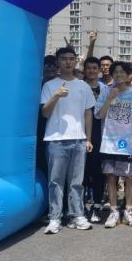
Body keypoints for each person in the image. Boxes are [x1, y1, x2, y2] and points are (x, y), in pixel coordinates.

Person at [40, 47, 95, 234]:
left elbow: (88, 113)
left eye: (72, 58)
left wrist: (88, 138)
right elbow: (45, 112)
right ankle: (55, 217)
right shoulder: (49, 86)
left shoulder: (83, 86)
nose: (68, 62)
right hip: (55, 140)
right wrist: (56, 95)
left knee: (76, 182)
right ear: (58, 61)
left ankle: (77, 215)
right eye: (64, 59)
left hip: (78, 139)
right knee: (55, 182)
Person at [95, 61, 132, 228]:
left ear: (128, 74)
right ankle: (114, 211)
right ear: (112, 74)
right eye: (116, 72)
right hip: (109, 142)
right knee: (111, 177)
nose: (119, 74)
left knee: (129, 177)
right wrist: (110, 98)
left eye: (122, 72)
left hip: (127, 143)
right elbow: (99, 115)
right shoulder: (105, 91)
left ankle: (129, 211)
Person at [82, 56, 109, 223]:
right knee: (82, 172)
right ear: (84, 70)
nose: (92, 71)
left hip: (101, 133)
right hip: (80, 132)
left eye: (94, 68)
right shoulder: (79, 86)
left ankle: (97, 205)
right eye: (89, 68)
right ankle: (81, 206)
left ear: (99, 70)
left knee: (98, 171)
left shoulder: (106, 89)